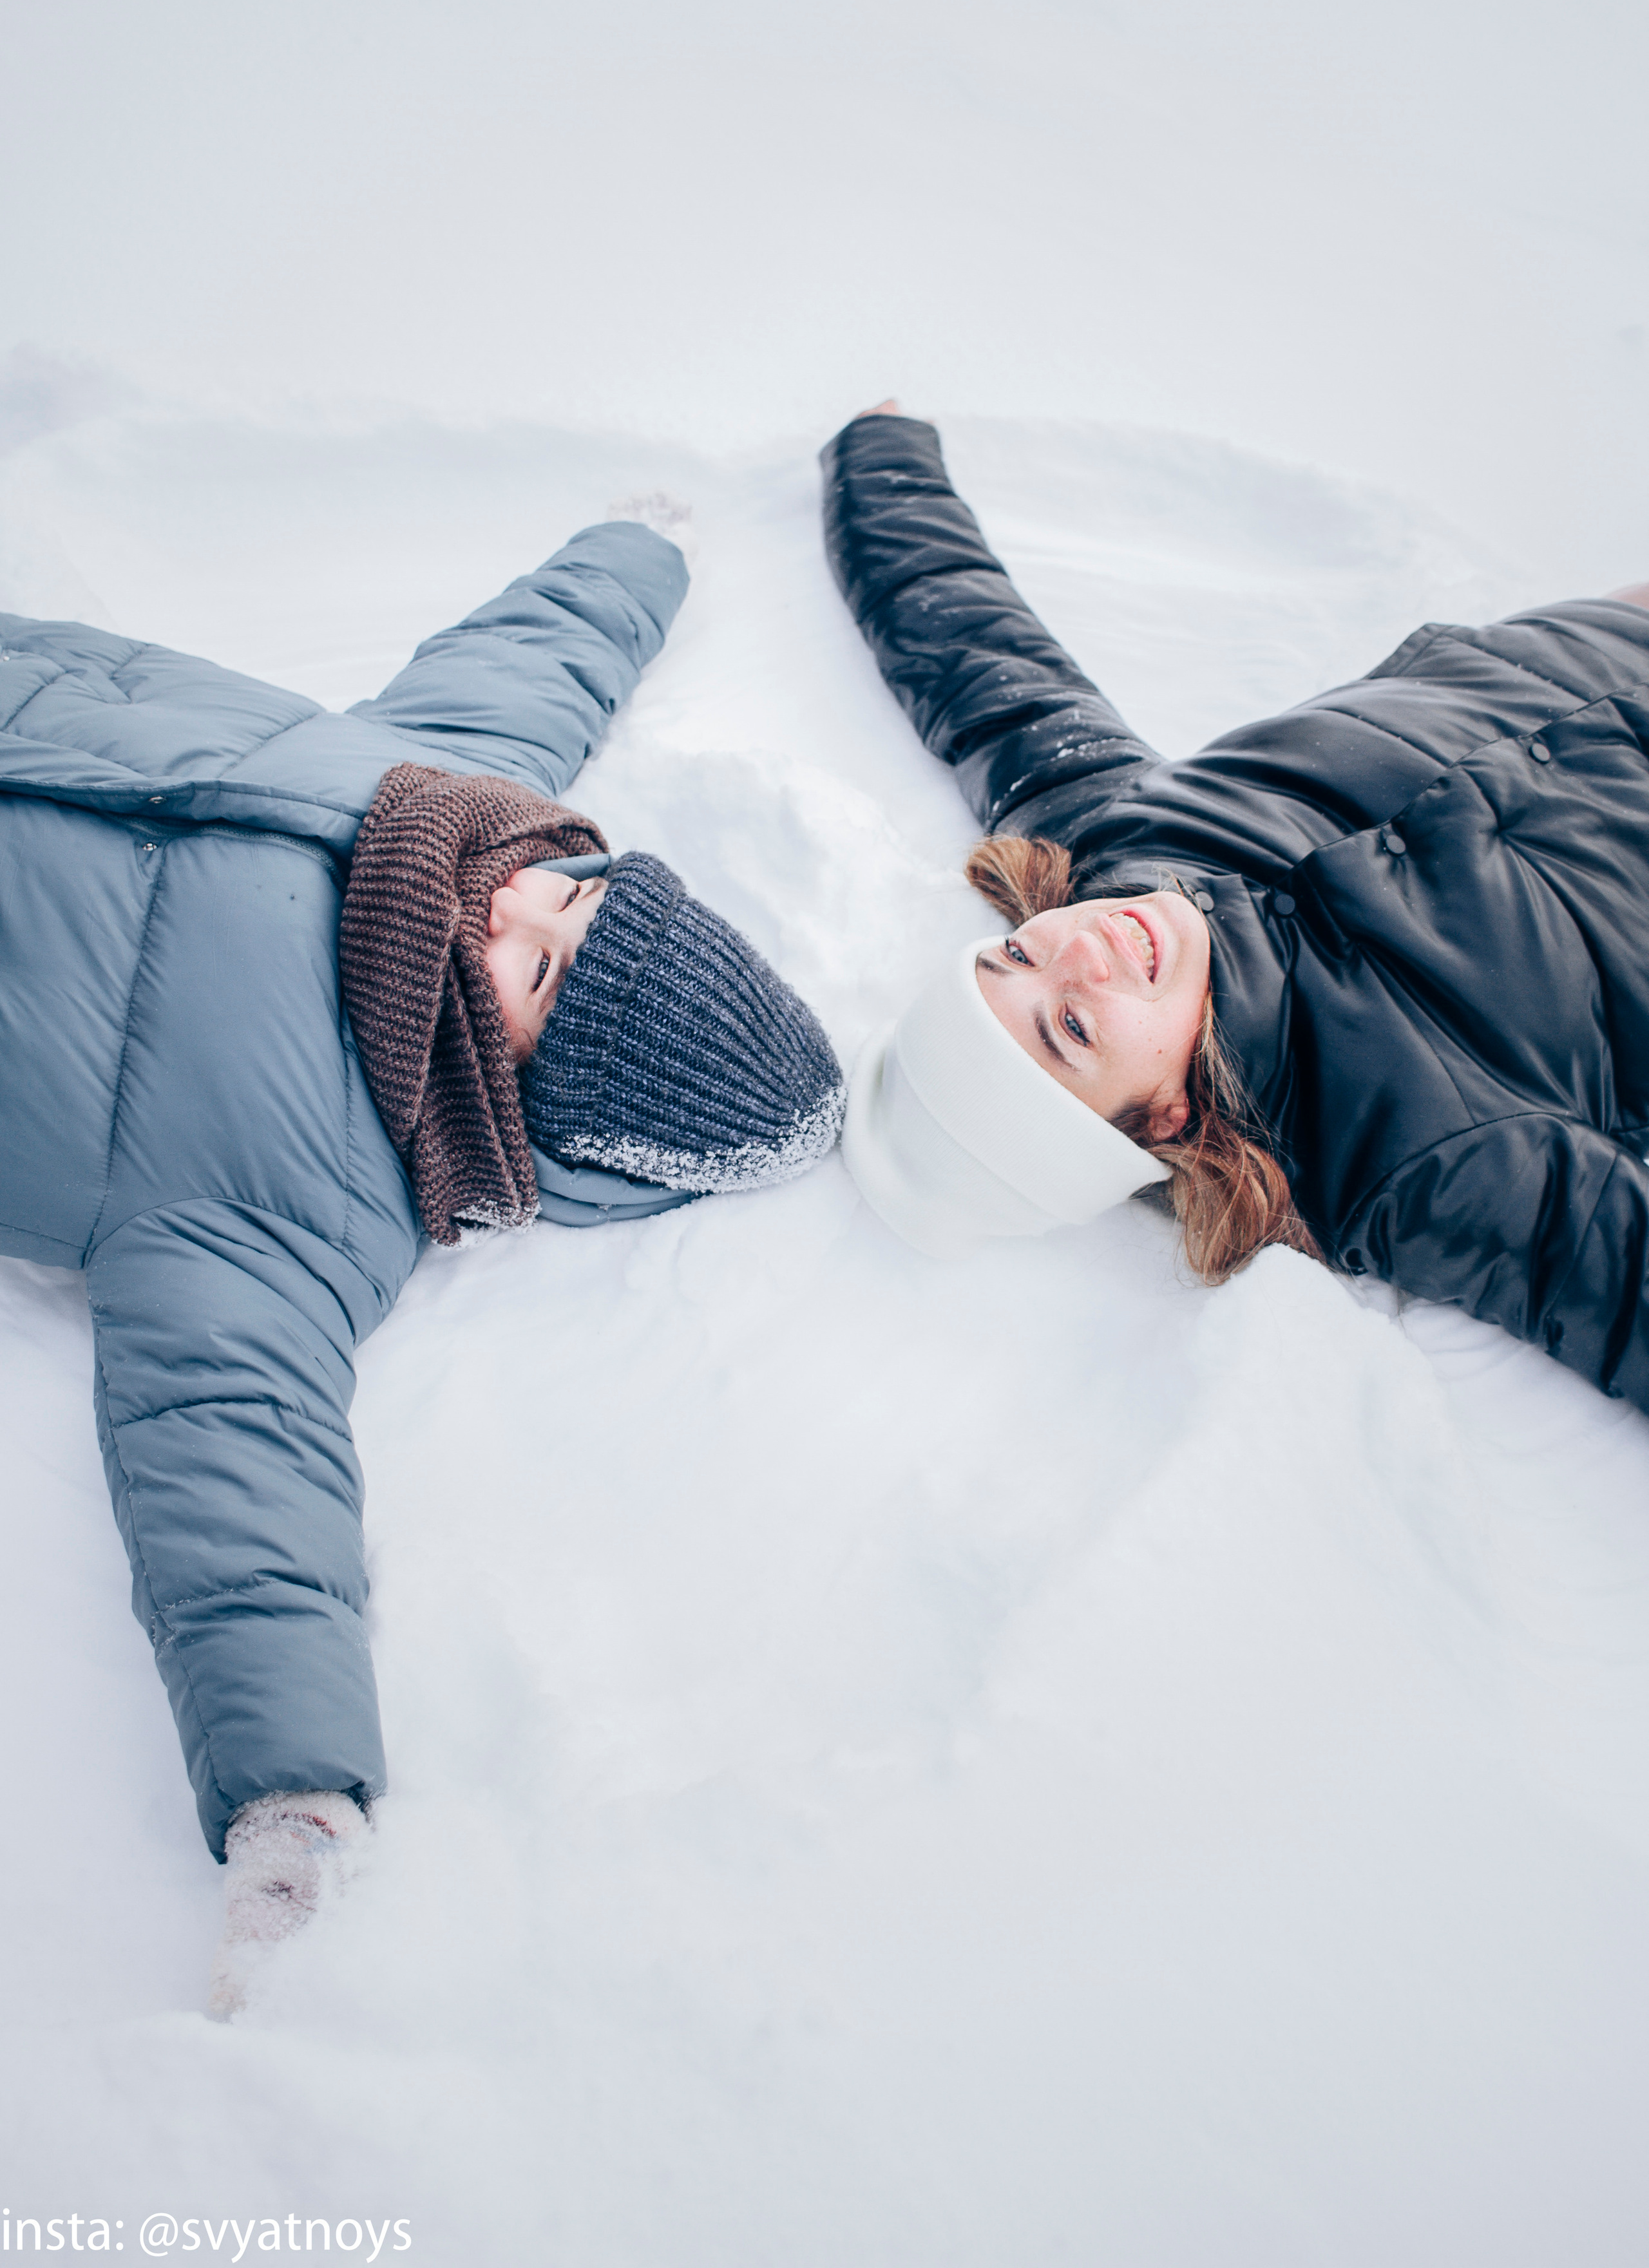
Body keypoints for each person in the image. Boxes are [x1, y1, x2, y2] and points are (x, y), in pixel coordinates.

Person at [0, 506, 844, 2013]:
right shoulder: (449, 803)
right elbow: (533, 658)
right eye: (577, 899)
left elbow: (232, 1457)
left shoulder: (302, 1195)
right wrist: (635, 557)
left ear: (519, 1086)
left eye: (530, 970)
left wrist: (291, 1803)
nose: (508, 902)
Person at [821, 404, 1649, 1417]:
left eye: (1013, 959)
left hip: (1608, 635)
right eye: (1072, 1029)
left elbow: (969, 649)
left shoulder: (1110, 845)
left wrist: (880, 453)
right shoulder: (1407, 1157)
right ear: (1161, 1118)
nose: (1075, 951)